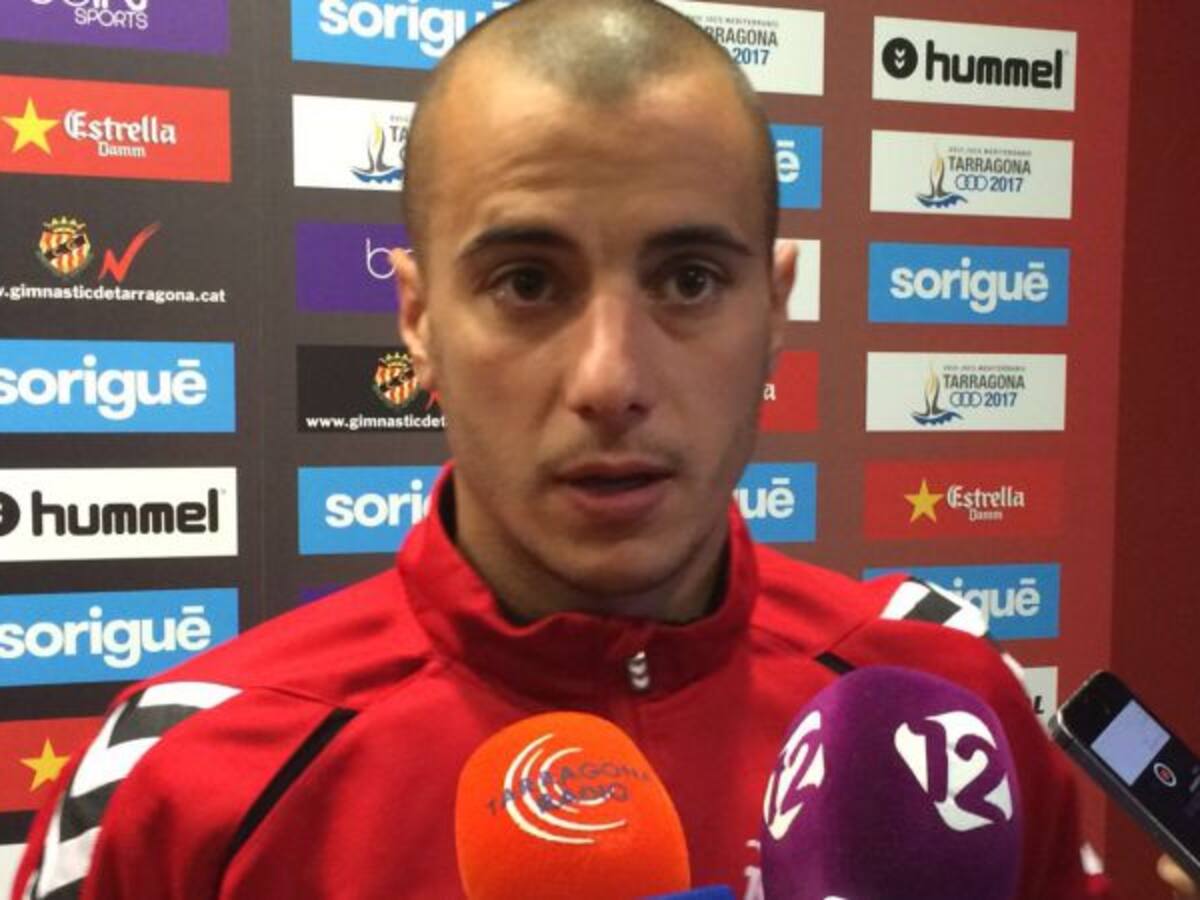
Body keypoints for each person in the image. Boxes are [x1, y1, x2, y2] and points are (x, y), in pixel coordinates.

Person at [8, 0, 1174, 897]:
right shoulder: (182, 774)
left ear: (775, 307)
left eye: (689, 280)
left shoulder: (941, 706)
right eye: (527, 282)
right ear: (418, 316)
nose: (611, 381)